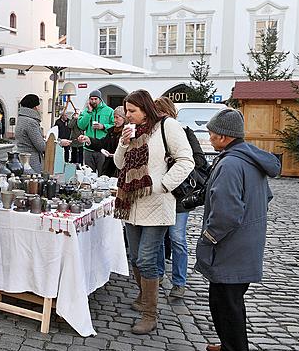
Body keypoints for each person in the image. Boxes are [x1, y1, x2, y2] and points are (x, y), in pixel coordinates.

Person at [197, 109, 280, 351]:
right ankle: (229, 344)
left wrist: (209, 237)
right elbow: (264, 197)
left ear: (223, 136)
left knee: (227, 301)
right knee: (224, 298)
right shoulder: (247, 158)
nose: (209, 138)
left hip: (231, 244)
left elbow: (227, 212)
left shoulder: (232, 164)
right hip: (244, 241)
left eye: (211, 133)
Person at [114, 90, 193, 334]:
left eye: (132, 111)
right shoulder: (132, 131)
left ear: (145, 109)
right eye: (126, 111)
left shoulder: (167, 127)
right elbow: (119, 164)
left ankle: (150, 314)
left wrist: (163, 185)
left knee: (148, 258)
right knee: (136, 257)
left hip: (157, 204)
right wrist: (122, 143)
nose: (128, 116)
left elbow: (186, 160)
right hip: (131, 202)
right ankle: (143, 296)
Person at [154, 97, 207, 300]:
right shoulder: (153, 133)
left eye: (161, 113)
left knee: (177, 239)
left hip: (178, 195)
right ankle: (158, 275)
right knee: (158, 239)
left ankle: (179, 282)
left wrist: (174, 160)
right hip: (158, 194)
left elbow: (199, 160)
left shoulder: (185, 132)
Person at [82, 106, 126, 178]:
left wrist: (115, 155)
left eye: (117, 117)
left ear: (124, 118)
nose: (115, 120)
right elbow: (102, 143)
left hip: (121, 169)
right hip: (109, 168)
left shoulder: (127, 132)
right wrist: (89, 140)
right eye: (114, 117)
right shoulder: (111, 131)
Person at [77, 90, 114, 174]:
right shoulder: (86, 111)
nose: (93, 101)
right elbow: (81, 126)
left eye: (95, 99)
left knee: (103, 173)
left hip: (102, 148)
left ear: (100, 99)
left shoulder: (109, 111)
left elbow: (114, 125)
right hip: (88, 148)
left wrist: (103, 126)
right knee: (88, 174)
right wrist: (89, 112)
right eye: (91, 99)